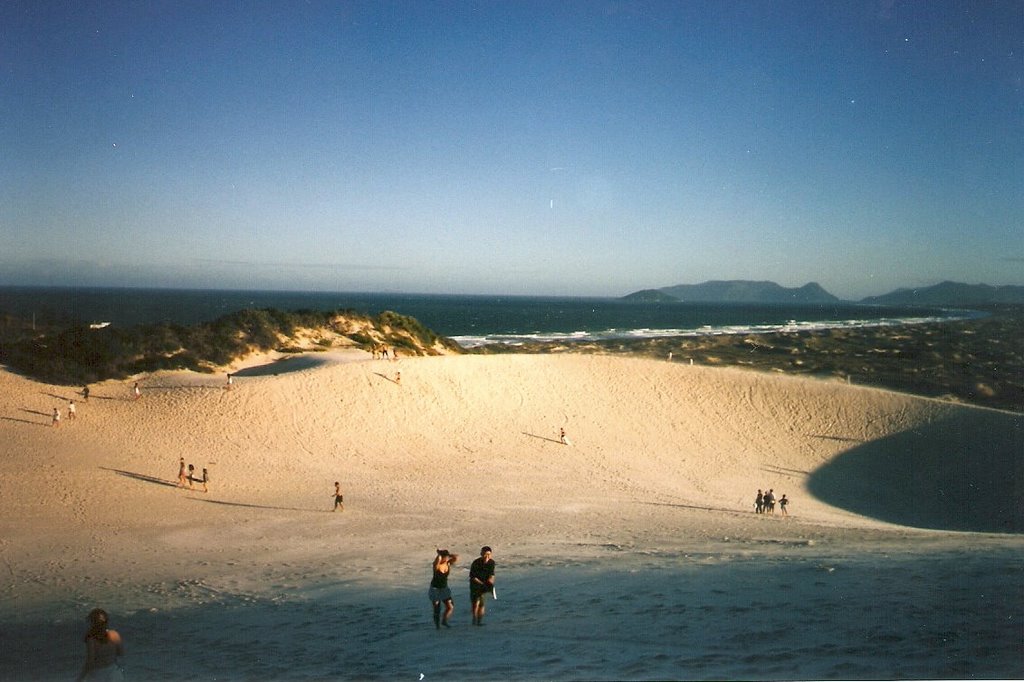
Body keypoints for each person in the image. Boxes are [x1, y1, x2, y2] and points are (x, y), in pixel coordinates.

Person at [77, 607, 124, 681]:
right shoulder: (115, 634)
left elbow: (90, 662)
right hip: (114, 673)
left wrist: (81, 678)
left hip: (98, 674)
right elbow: (121, 653)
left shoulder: (91, 639)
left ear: (93, 623)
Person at [429, 549, 459, 629]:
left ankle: (444, 620)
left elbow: (456, 558)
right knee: (437, 608)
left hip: (444, 588)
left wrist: (448, 555)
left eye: (446, 557)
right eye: (444, 557)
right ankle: (437, 626)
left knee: (450, 606)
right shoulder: (437, 565)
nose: (446, 559)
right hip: (435, 589)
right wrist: (439, 557)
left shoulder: (448, 563)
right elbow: (435, 564)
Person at [469, 546, 496, 626]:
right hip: (475, 585)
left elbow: (492, 575)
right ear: (481, 554)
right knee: (475, 603)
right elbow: (473, 577)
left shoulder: (491, 562)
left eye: (489, 554)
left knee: (482, 603)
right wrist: (482, 584)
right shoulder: (476, 563)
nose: (487, 557)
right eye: (485, 554)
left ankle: (479, 621)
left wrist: (490, 584)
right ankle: (474, 619)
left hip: (485, 584)